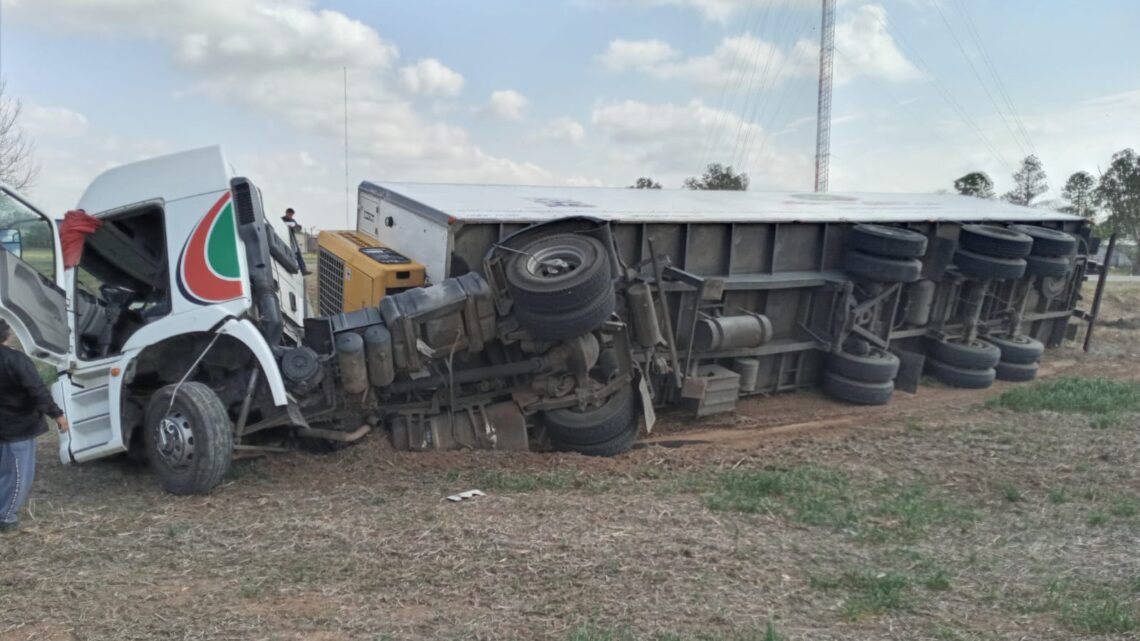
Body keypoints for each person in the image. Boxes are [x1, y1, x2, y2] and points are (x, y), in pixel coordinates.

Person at [0, 319, 68, 533]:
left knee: (4, 472)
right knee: (19, 475)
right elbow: (36, 389)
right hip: (18, 427)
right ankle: (5, 517)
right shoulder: (15, 360)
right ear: (7, 335)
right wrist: (57, 414)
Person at [281, 208, 311, 275]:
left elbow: (297, 229)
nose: (290, 216)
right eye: (289, 214)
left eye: (291, 215)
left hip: (292, 240)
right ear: (286, 213)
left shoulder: (293, 221)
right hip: (284, 238)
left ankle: (303, 270)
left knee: (298, 254)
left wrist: (297, 227)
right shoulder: (281, 219)